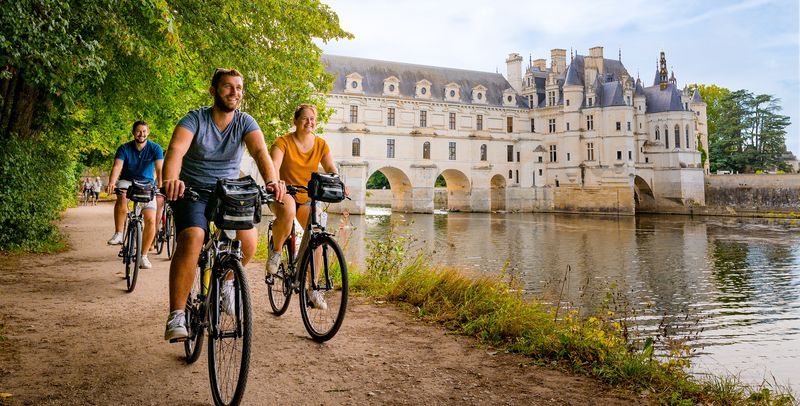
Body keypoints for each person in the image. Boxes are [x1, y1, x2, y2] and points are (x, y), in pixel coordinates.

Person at [161, 68, 285, 341]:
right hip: (192, 191)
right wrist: (171, 180)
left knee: (249, 242)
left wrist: (272, 181)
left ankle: (227, 286)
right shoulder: (195, 119)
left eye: (239, 88)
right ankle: (177, 314)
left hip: (228, 193)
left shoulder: (245, 122)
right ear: (213, 90)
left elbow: (260, 152)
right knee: (193, 237)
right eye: (228, 87)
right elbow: (176, 150)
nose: (235, 93)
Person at [267, 104, 344, 311]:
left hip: (307, 195)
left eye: (313, 119)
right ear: (295, 121)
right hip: (283, 192)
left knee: (317, 234)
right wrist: (276, 181)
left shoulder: (320, 144)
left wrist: (337, 183)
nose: (309, 122)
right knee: (289, 210)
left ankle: (313, 289)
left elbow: (330, 169)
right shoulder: (283, 142)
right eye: (305, 118)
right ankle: (275, 251)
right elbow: (273, 164)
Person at [106, 121, 164, 273]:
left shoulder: (155, 148)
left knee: (151, 219)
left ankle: (143, 255)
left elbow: (159, 168)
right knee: (122, 195)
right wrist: (112, 182)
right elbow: (117, 166)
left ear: (148, 132)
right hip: (128, 181)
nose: (141, 134)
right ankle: (119, 233)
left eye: (144, 131)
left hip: (146, 184)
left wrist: (162, 185)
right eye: (138, 131)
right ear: (133, 133)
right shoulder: (124, 148)